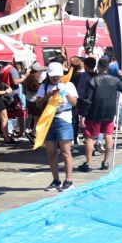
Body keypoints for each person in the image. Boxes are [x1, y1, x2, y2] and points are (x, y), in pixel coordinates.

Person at [78, 57, 122, 171]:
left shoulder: (93, 80)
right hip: (109, 112)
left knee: (90, 137)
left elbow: (87, 99)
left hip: (94, 113)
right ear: (107, 67)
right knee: (108, 136)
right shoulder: (115, 80)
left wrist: (83, 115)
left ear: (98, 67)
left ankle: (88, 163)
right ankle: (105, 162)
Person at [35, 63, 78, 191]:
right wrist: (49, 95)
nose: (55, 78)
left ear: (62, 74)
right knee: (51, 152)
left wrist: (65, 93)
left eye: (57, 75)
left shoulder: (68, 84)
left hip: (63, 119)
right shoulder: (45, 86)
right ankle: (56, 180)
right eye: (52, 76)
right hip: (48, 120)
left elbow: (75, 102)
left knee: (65, 152)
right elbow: (38, 103)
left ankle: (69, 181)